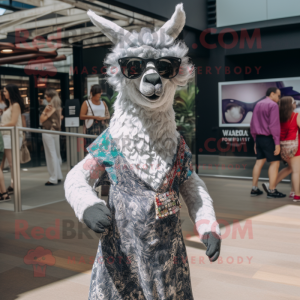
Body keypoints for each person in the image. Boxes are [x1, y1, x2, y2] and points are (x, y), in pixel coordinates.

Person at [250, 87, 286, 198]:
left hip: (259, 138)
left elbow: (252, 124)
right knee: (275, 163)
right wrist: (277, 143)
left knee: (258, 163)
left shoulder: (258, 104)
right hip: (269, 138)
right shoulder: (273, 105)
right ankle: (272, 190)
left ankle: (254, 189)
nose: (279, 98)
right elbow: (274, 126)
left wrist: (255, 140)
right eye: (278, 96)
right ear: (272, 94)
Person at [0, 84, 24, 195]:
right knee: (9, 163)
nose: (3, 93)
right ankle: (10, 186)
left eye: (5, 91)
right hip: (7, 136)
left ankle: (14, 186)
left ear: (10, 92)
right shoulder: (9, 105)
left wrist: (1, 125)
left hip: (11, 136)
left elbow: (13, 123)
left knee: (12, 163)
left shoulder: (15, 105)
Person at [40, 88, 63, 186]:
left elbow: (42, 119)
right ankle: (58, 176)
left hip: (48, 131)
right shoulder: (58, 107)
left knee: (51, 155)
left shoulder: (49, 107)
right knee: (56, 154)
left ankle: (53, 178)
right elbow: (60, 120)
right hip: (56, 131)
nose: (45, 97)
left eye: (46, 95)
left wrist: (44, 111)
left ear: (50, 96)